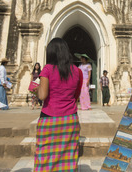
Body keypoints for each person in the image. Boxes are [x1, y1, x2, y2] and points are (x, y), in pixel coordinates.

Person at [34, 38, 83, 171]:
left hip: (50, 118)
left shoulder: (47, 69)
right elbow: (76, 95)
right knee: (68, 159)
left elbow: (42, 95)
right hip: (70, 119)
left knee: (44, 158)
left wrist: (36, 88)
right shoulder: (76, 71)